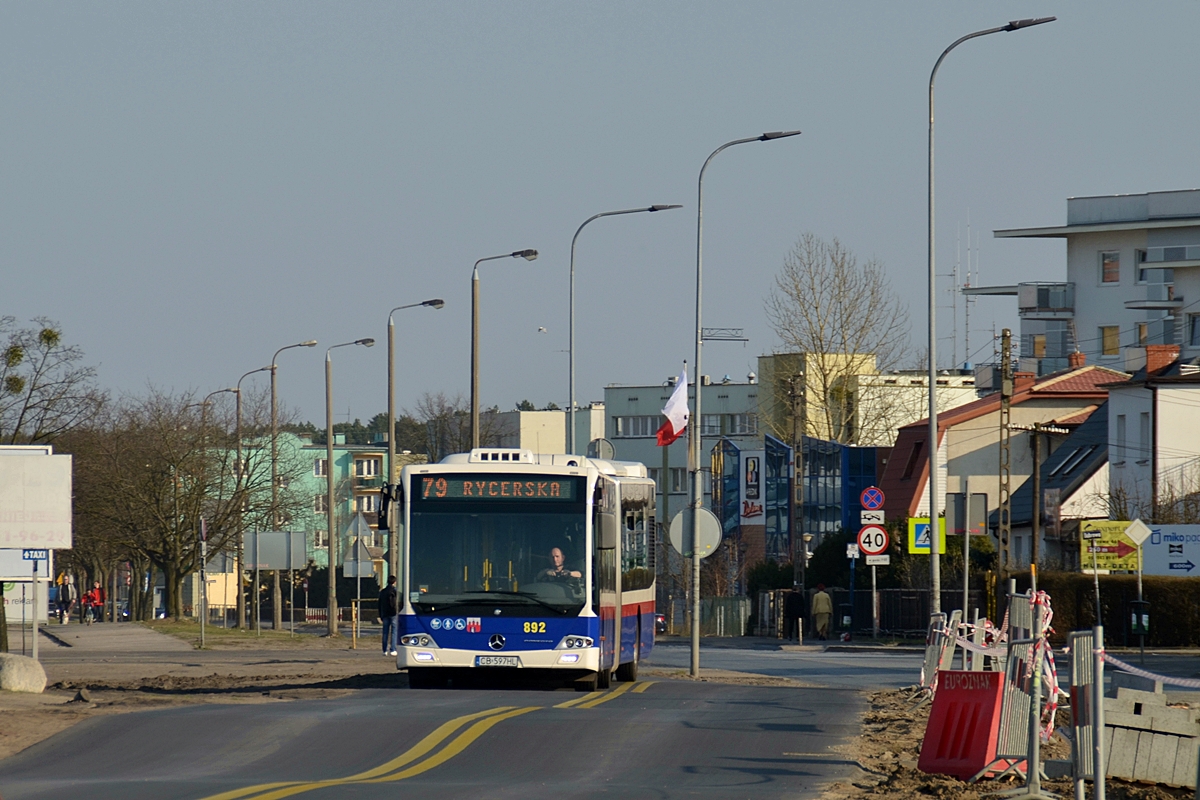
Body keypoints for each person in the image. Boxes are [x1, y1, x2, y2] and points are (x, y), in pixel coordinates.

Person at [379, 575, 398, 656]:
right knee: (394, 632)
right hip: (393, 613)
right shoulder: (395, 591)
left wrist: (380, 614)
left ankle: (384, 650)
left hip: (385, 613)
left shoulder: (382, 592)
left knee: (385, 632)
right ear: (394, 582)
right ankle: (393, 649)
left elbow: (379, 604)